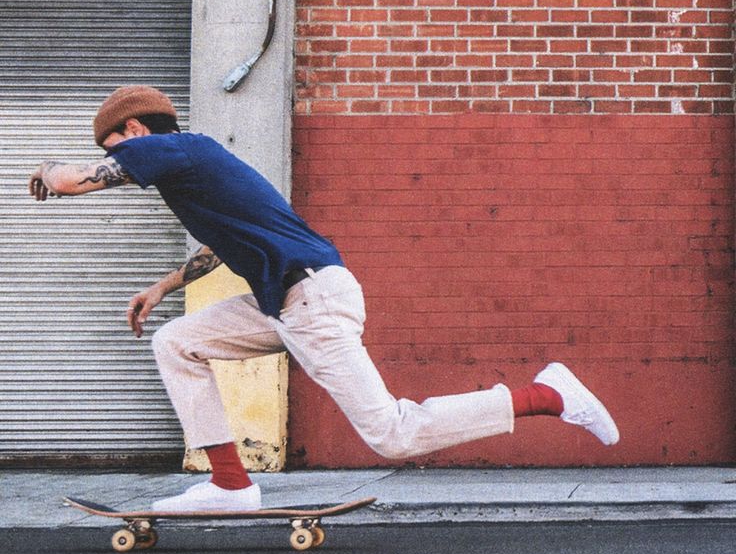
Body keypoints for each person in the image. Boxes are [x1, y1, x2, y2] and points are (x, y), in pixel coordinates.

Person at [29, 85, 619, 512]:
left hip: (309, 300)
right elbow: (220, 248)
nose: (118, 163)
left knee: (393, 435)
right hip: (287, 303)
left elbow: (71, 179)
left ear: (134, 133)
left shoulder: (171, 148)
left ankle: (546, 395)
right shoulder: (196, 168)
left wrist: (46, 167)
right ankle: (231, 485)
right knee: (177, 340)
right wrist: (161, 288)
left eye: (115, 150)